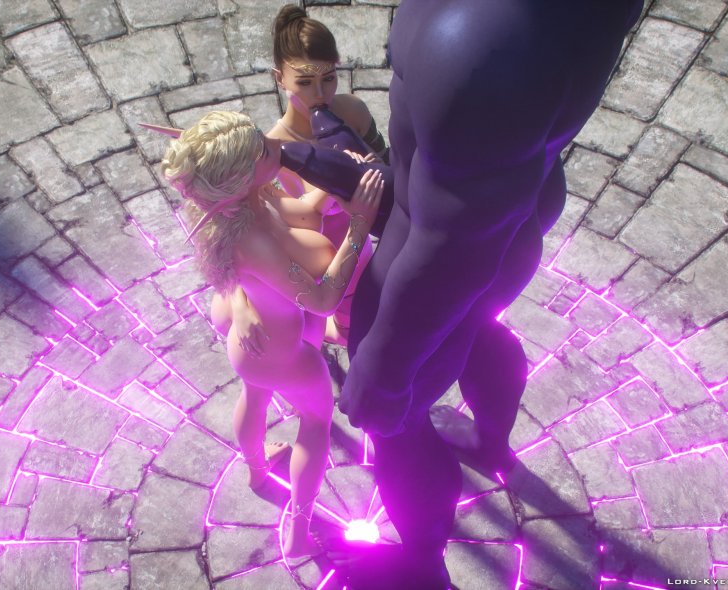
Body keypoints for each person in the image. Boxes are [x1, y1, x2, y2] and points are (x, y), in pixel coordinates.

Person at [275, 1, 644, 587]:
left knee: (398, 425)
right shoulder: (542, 22)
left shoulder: (479, 43)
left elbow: (453, 237)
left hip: (439, 255)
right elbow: (459, 173)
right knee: (475, 326)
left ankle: (423, 567)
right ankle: (491, 443)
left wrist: (383, 369)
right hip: (512, 214)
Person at [160, 111, 383, 558]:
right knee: (316, 422)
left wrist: (345, 176)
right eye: (261, 150)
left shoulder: (241, 203)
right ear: (239, 176)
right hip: (281, 352)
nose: (273, 146)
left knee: (254, 395)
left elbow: (305, 211)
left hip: (256, 342)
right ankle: (298, 533)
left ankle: (257, 471)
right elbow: (322, 300)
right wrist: (359, 225)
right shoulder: (252, 238)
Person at [265, 4, 387, 346]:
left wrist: (375, 164)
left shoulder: (352, 111)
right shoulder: (275, 148)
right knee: (350, 333)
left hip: (367, 245)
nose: (321, 94)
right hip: (328, 257)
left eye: (329, 78)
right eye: (305, 82)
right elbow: (263, 227)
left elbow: (390, 165)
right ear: (279, 78)